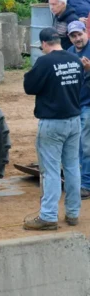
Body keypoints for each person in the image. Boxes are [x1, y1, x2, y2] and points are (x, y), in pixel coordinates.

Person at [23, 27, 83, 230]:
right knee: (72, 167)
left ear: (44, 44)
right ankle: (73, 213)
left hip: (52, 123)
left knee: (50, 170)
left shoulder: (45, 61)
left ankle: (48, 216)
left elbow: (29, 87)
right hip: (74, 120)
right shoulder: (75, 59)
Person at [67, 20, 90, 200]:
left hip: (87, 105)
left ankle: (86, 185)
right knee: (77, 146)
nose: (77, 39)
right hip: (76, 105)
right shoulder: (69, 53)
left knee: (85, 146)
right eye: (73, 36)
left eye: (79, 34)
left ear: (85, 32)